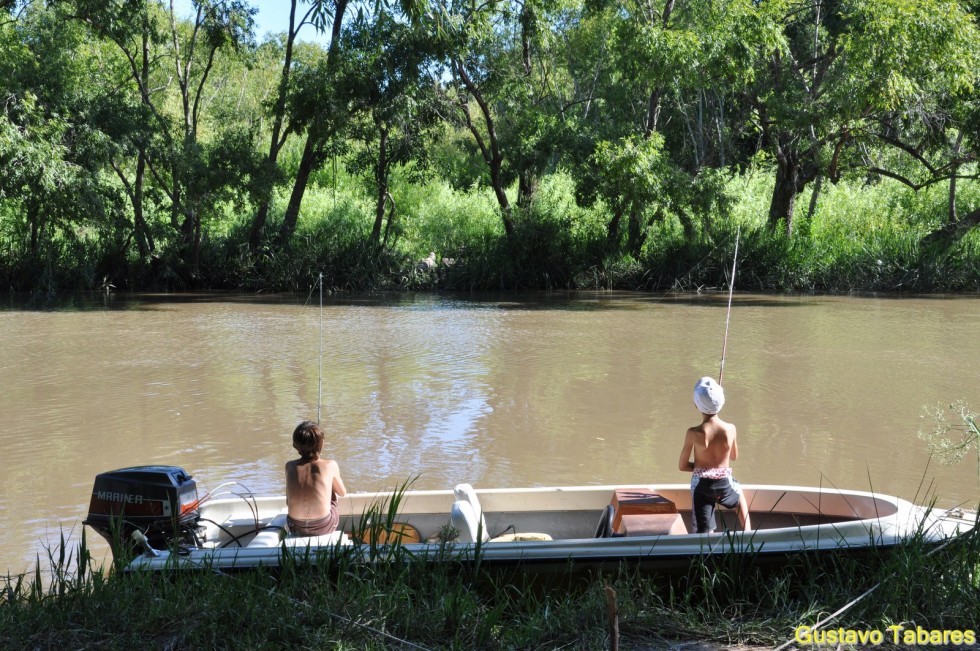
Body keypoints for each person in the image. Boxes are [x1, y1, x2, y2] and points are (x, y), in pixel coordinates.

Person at [677, 377, 752, 533]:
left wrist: (701, 469)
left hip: (701, 486)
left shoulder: (693, 433)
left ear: (696, 405)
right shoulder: (730, 429)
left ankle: (705, 540)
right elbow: (733, 457)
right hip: (724, 484)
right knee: (739, 494)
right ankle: (748, 533)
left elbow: (682, 466)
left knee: (703, 531)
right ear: (721, 402)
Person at [285, 420, 347, 536]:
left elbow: (288, 501)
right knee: (333, 493)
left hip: (295, 526)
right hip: (323, 526)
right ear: (322, 444)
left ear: (295, 445)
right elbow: (342, 493)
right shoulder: (330, 465)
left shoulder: (289, 466)